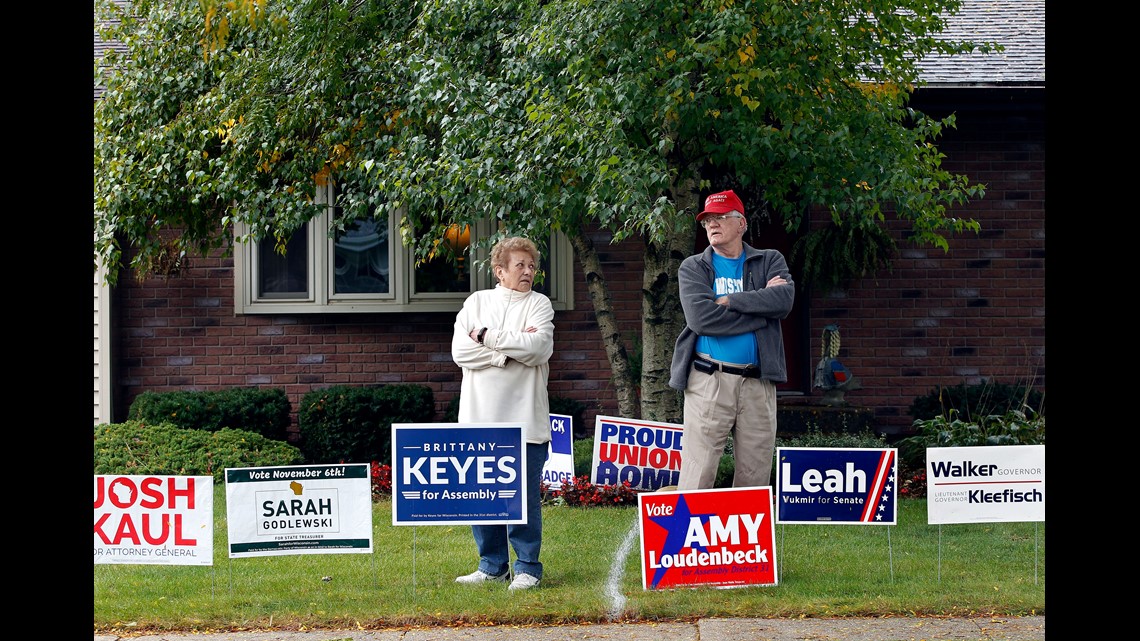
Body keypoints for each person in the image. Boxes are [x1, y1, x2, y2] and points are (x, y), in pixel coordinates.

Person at [668, 189, 795, 490]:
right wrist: (761, 308)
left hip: (757, 382)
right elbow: (702, 319)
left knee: (755, 473)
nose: (713, 224)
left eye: (722, 218)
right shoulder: (693, 267)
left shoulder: (769, 260)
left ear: (741, 224)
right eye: (708, 220)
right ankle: (690, 537)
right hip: (709, 379)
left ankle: (743, 538)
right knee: (698, 472)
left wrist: (729, 300)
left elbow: (784, 301)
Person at [450, 236, 555, 591]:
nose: (527, 272)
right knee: (483, 496)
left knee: (522, 499)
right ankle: (492, 566)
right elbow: (461, 352)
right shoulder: (476, 301)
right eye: (520, 265)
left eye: (531, 266)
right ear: (499, 271)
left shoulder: (539, 304)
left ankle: (527, 568)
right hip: (480, 418)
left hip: (526, 420)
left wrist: (486, 336)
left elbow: (539, 348)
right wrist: (506, 350)